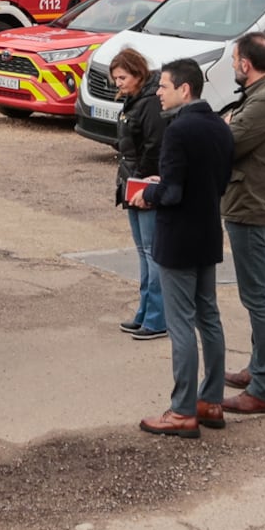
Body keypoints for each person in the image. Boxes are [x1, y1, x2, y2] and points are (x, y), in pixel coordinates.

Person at [130, 58, 234, 439]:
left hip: (177, 238)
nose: (158, 91)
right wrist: (167, 184)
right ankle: (212, 400)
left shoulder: (178, 131)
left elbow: (171, 193)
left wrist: (148, 193)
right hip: (207, 231)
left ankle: (182, 410)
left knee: (180, 325)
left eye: (164, 86)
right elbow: (217, 181)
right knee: (209, 317)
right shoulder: (220, 128)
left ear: (184, 90)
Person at [221, 33, 265, 417]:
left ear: (246, 64)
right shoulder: (264, 94)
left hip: (253, 207)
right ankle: (258, 369)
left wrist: (227, 124)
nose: (233, 65)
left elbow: (227, 143)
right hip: (252, 203)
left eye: (234, 59)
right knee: (256, 296)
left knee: (258, 297)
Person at [108, 47, 167, 342]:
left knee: (151, 253)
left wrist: (142, 184)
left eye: (122, 77)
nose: (118, 83)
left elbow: (153, 147)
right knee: (144, 252)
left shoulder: (148, 105)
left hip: (142, 186)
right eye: (116, 78)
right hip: (132, 183)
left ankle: (157, 316)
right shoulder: (135, 102)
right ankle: (146, 310)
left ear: (137, 74)